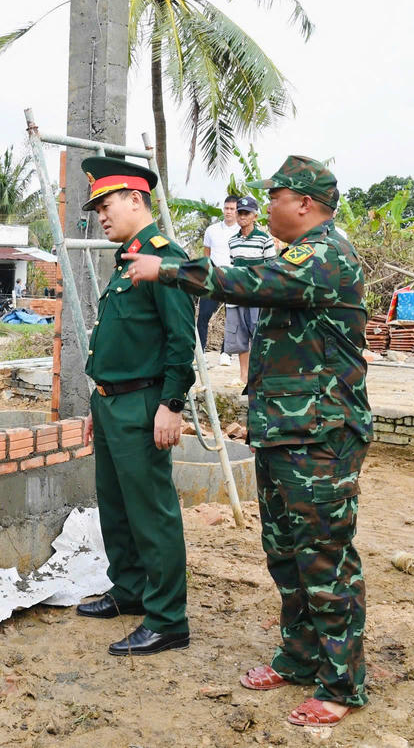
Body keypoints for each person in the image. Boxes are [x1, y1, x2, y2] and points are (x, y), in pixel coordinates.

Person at [121, 155, 371, 728]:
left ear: (302, 204)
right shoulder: (297, 253)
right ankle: (299, 657)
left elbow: (248, 283)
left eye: (274, 197)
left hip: (323, 437)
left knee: (325, 559)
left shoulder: (328, 255)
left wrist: (168, 270)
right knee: (285, 553)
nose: (263, 206)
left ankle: (342, 685)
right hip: (286, 431)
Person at [72, 156, 197, 657]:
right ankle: (129, 591)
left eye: (107, 205)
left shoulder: (165, 258)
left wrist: (171, 402)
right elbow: (118, 339)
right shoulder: (128, 258)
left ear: (136, 199)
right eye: (97, 208)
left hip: (145, 404)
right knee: (117, 506)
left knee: (152, 512)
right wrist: (96, 401)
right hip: (110, 404)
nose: (101, 216)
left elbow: (180, 339)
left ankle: (168, 619)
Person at [225, 195, 275, 385]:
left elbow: (272, 269)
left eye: (246, 213)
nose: (242, 216)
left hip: (257, 296)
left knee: (259, 336)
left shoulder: (264, 239)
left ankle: (260, 375)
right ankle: (244, 376)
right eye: (240, 213)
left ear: (255, 216)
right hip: (237, 295)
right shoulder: (233, 241)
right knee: (241, 338)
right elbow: (233, 267)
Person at [199, 196, 238, 366]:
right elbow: (206, 253)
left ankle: (226, 353)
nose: (229, 212)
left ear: (237, 211)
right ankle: (200, 352)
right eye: (226, 208)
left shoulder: (241, 231)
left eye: (232, 209)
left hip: (232, 276)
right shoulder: (212, 230)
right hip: (213, 276)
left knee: (232, 317)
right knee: (203, 315)